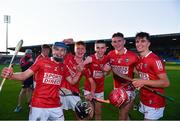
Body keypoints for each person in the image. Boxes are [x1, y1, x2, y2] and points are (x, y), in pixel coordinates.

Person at [1, 42, 82, 121]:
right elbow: (24, 75)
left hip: (56, 105)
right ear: (52, 50)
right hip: (39, 105)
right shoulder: (42, 61)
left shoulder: (63, 67)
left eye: (62, 50)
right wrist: (11, 75)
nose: (59, 53)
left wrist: (78, 72)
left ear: (65, 52)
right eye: (57, 49)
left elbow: (72, 81)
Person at [132, 32, 170, 120]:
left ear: (148, 43)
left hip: (155, 101)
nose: (139, 44)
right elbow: (143, 74)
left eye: (143, 41)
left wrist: (143, 82)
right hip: (144, 98)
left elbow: (166, 82)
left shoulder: (154, 59)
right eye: (137, 41)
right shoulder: (140, 59)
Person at [103, 32, 139, 120]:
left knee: (122, 115)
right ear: (112, 43)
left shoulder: (133, 56)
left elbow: (141, 73)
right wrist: (106, 71)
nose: (117, 43)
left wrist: (139, 82)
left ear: (124, 42)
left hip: (129, 89)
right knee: (123, 112)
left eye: (119, 41)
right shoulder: (110, 55)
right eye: (114, 42)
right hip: (117, 89)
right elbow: (107, 72)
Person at [60, 41, 96, 119]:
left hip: (73, 92)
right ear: (74, 50)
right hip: (59, 90)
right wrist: (66, 41)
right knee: (57, 116)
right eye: (78, 48)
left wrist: (92, 93)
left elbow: (92, 82)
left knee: (82, 117)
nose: (80, 51)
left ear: (85, 50)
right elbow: (58, 48)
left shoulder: (86, 66)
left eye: (82, 49)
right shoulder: (68, 56)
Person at [83, 40, 108, 120]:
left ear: (105, 49)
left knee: (98, 112)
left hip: (100, 90)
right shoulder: (90, 59)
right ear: (95, 48)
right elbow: (81, 67)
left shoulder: (107, 59)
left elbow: (108, 72)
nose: (100, 50)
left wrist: (105, 73)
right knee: (89, 113)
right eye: (98, 48)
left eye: (102, 48)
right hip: (88, 89)